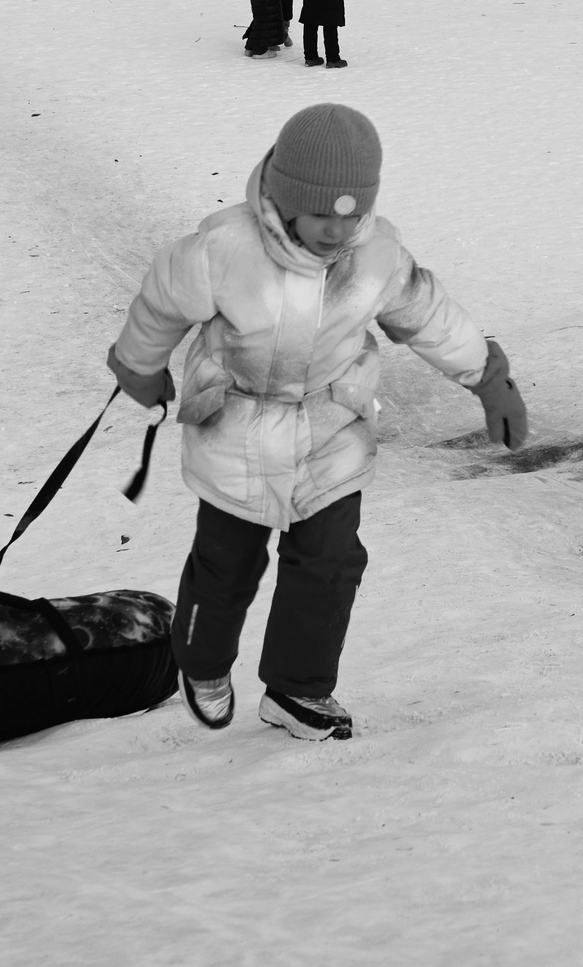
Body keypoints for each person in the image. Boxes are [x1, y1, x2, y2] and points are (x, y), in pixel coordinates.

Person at [106, 102, 529, 739]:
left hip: (332, 432)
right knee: (226, 565)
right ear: (282, 195)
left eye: (355, 213)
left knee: (330, 564)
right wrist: (140, 367)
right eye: (324, 214)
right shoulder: (223, 250)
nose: (339, 231)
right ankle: (202, 663)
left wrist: (487, 378)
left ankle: (298, 690)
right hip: (235, 429)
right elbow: (160, 305)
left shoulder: (377, 257)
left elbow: (429, 316)